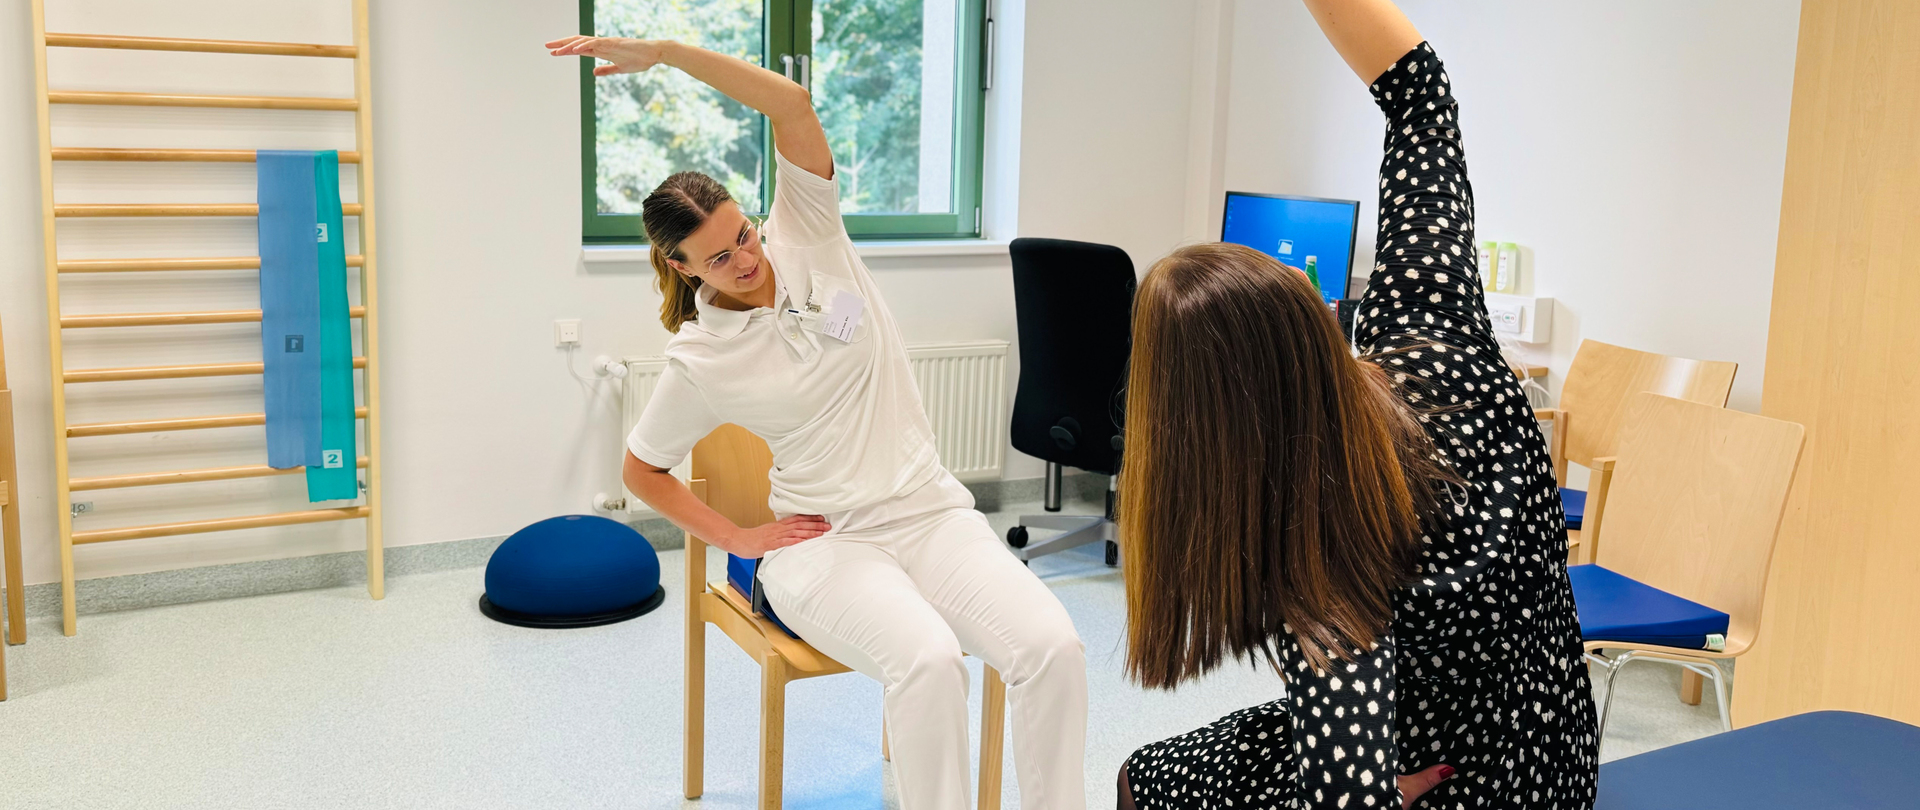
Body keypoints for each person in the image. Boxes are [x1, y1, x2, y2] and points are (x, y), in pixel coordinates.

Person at [547, 34, 1087, 810]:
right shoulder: (700, 358)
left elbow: (791, 103)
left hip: (931, 513)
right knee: (931, 662)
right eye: (718, 256)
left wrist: (666, 54)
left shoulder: (806, 229)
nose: (745, 258)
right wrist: (737, 539)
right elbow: (640, 471)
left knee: (1053, 647)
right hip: (827, 546)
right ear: (681, 267)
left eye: (741, 233)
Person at [1112, 1, 1598, 808]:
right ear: (1314, 326)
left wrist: (1377, 789)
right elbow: (1418, 93)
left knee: (1145, 783)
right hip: (1555, 744)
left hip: (1462, 782)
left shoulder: (1318, 555)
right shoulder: (1433, 328)